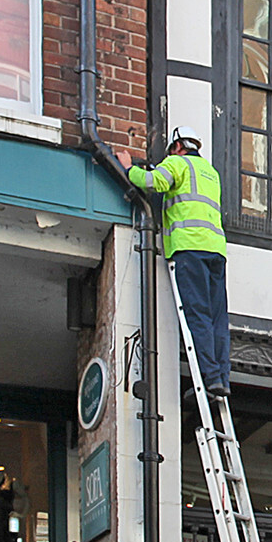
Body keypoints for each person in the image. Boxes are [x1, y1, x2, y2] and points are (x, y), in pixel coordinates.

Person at [116, 133, 230, 395]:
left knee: (198, 313)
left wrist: (127, 167)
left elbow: (151, 181)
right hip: (215, 250)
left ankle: (210, 377)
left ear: (178, 147)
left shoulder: (177, 163)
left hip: (189, 247)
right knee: (217, 319)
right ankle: (222, 378)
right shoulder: (210, 172)